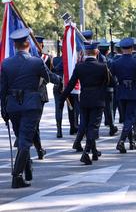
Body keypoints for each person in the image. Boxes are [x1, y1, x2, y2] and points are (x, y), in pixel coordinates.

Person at [1, 28, 52, 188]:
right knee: (24, 141)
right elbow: (49, 77)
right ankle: (16, 176)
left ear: (15, 45)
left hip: (13, 107)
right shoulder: (36, 62)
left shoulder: (6, 63)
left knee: (22, 138)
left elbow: (2, 89)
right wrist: (63, 81)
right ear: (28, 43)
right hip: (31, 106)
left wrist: (3, 109)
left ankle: (27, 169)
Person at [60, 41, 111, 164]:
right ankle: (86, 152)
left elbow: (71, 84)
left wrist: (62, 98)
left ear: (85, 52)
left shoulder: (79, 67)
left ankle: (94, 151)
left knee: (87, 125)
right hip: (98, 100)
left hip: (84, 100)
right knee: (93, 127)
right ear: (97, 52)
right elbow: (111, 82)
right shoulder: (102, 67)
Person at [110, 37, 136, 153]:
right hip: (133, 92)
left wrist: (117, 84)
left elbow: (110, 78)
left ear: (121, 49)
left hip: (121, 92)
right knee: (130, 118)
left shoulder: (115, 63)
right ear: (132, 48)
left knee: (126, 118)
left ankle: (132, 142)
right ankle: (121, 141)